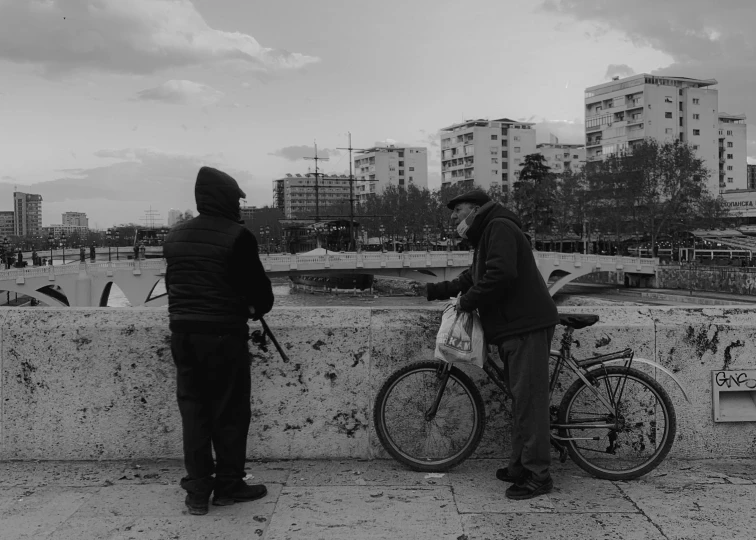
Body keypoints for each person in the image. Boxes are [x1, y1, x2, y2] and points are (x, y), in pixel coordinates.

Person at [425, 190, 559, 500]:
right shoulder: (488, 232)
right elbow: (473, 277)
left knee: (529, 402)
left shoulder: (498, 227)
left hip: (525, 325)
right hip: (516, 326)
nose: (453, 217)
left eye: (457, 210)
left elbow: (501, 275)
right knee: (521, 401)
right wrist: (432, 290)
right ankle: (520, 466)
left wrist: (468, 303)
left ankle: (539, 475)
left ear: (474, 208)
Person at [163, 166, 274, 516]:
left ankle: (197, 492)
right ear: (226, 199)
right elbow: (261, 295)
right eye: (237, 199)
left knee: (194, 413)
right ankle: (228, 486)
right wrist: (249, 305)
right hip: (223, 335)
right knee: (230, 412)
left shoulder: (174, 237)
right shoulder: (238, 236)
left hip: (183, 334)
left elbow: (175, 286)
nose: (240, 207)